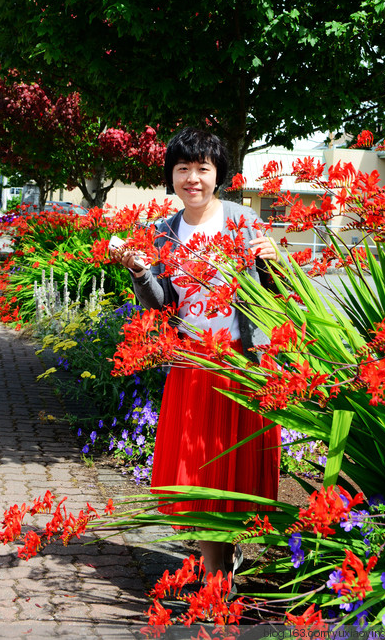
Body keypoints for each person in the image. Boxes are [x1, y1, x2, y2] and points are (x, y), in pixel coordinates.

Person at [114, 127, 281, 581]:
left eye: (202, 169)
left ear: (217, 175)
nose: (193, 178)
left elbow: (276, 293)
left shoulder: (245, 223)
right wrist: (139, 272)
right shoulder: (163, 232)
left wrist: (274, 263)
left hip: (241, 364)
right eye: (183, 169)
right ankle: (215, 573)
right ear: (172, 177)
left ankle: (225, 556)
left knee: (233, 470)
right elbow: (163, 303)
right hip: (192, 364)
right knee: (203, 470)